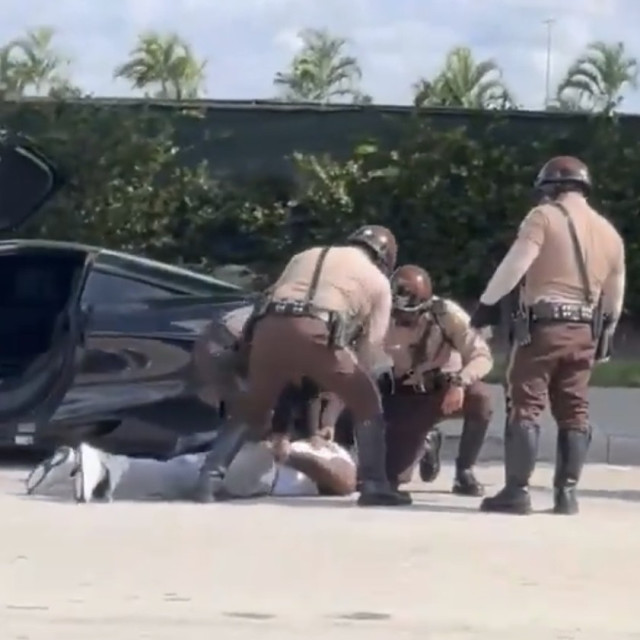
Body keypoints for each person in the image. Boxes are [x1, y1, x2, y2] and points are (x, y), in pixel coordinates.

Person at [195, 225, 411, 507]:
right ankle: (374, 484)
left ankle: (207, 481)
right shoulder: (377, 281)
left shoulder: (304, 255)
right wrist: (346, 387)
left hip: (267, 328)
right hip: (317, 330)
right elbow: (371, 348)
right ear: (385, 258)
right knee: (368, 403)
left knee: (251, 409)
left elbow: (271, 297)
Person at [471, 156, 626, 515]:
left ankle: (517, 491)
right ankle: (566, 494)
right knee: (574, 410)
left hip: (545, 327)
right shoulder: (610, 234)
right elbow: (614, 297)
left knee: (525, 404)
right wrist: (606, 334)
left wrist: (486, 305)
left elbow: (517, 263)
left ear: (551, 188)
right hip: (585, 329)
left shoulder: (543, 217)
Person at [382, 264, 494, 495]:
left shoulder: (445, 314)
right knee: (391, 477)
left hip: (442, 391)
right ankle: (425, 443)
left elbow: (481, 355)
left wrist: (460, 382)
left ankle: (464, 471)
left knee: (481, 398)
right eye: (398, 312)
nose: (404, 318)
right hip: (405, 396)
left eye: (411, 313)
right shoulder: (380, 316)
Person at [25, 434, 357, 503]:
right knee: (178, 474)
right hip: (257, 464)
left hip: (267, 471)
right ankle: (95, 468)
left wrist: (291, 455)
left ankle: (89, 468)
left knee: (177, 477)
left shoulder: (345, 459)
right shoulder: (321, 439)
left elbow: (344, 482)